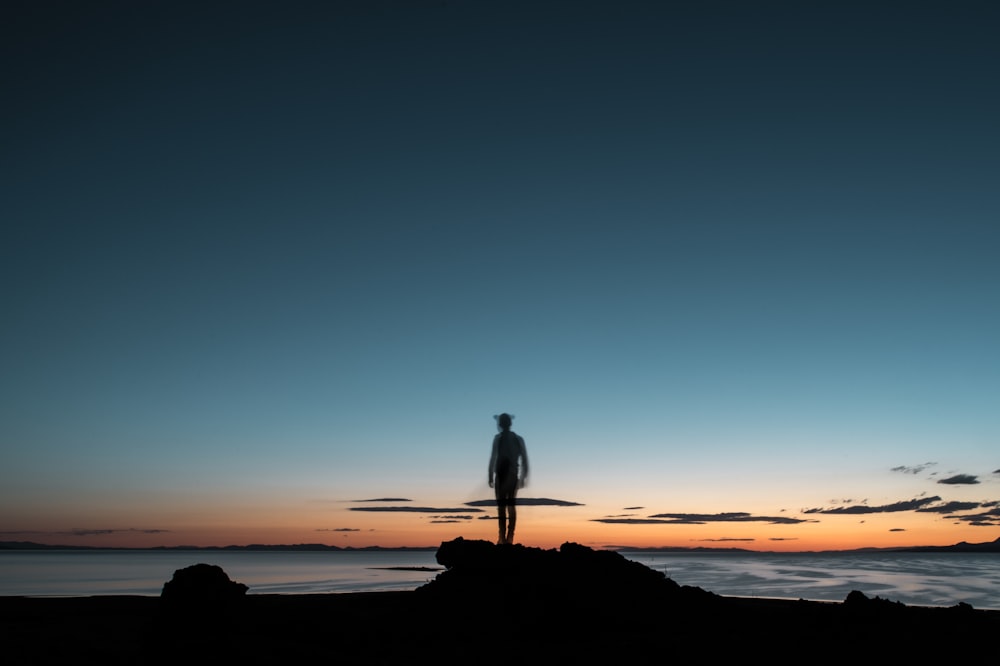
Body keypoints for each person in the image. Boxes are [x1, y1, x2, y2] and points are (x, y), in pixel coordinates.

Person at [488, 413, 529, 545]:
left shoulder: (512, 439)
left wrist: (490, 475)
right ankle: (505, 537)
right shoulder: (508, 438)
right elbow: (524, 460)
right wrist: (523, 476)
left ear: (500, 424)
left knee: (505, 507)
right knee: (506, 507)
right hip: (506, 475)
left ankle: (506, 538)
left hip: (507, 475)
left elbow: (494, 457)